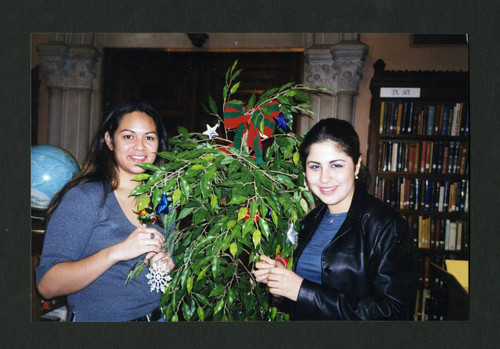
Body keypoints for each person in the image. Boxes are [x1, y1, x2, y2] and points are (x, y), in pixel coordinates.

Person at [254, 118, 416, 320]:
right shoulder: (311, 220)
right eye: (314, 166)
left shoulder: (386, 224)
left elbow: (395, 313)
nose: (324, 178)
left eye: (336, 165)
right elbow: (305, 304)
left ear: (357, 165)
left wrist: (301, 290)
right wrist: (281, 289)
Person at [36, 100, 175, 322]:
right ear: (110, 141)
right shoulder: (85, 198)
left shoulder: (164, 201)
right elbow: (47, 286)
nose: (140, 146)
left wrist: (169, 264)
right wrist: (117, 251)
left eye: (149, 137)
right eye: (128, 136)